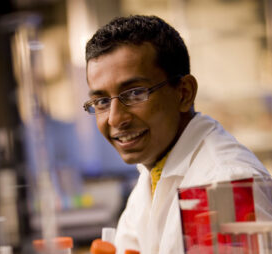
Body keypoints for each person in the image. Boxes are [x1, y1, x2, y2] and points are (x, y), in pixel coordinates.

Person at [83, 15, 271, 254]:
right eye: (101, 101)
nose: (115, 118)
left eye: (135, 93)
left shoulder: (223, 184)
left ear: (184, 93)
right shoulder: (152, 176)